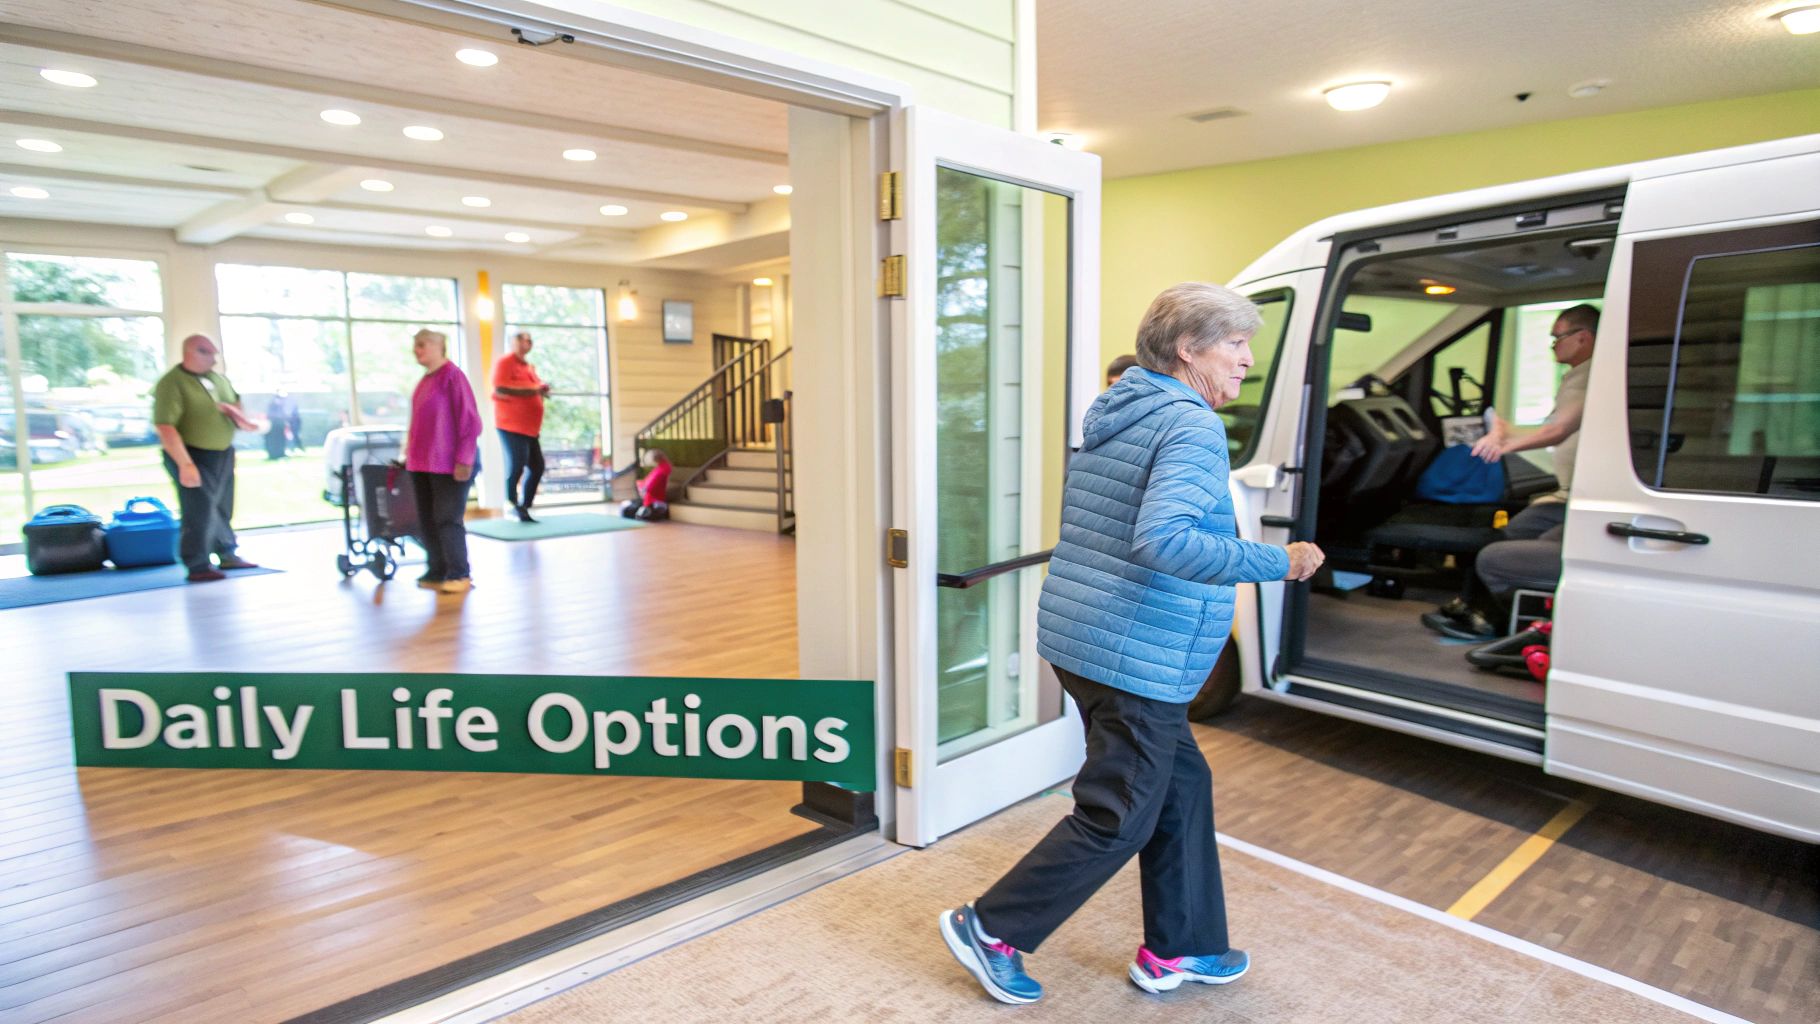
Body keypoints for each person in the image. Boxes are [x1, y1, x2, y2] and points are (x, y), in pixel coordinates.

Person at [939, 283, 1325, 1004]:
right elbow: (1166, 541)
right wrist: (1281, 560)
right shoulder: (1191, 426)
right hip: (1136, 652)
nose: (1247, 360)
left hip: (1090, 637)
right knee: (1120, 812)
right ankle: (991, 928)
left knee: (1181, 787)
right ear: (1188, 348)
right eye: (1235, 344)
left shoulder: (1122, 409)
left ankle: (1182, 948)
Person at [1424, 304, 1598, 639]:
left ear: (1582, 338)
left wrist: (1504, 445)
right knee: (1510, 531)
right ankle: (1473, 607)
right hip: (1567, 494)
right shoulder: (1576, 376)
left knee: (1499, 552)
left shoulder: (1593, 375)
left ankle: (1491, 620)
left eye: (1557, 337)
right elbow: (1553, 429)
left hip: (1578, 498)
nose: (1552, 345)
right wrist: (1503, 431)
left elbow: (1557, 431)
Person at [152, 334, 262, 583]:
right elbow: (165, 427)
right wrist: (185, 464)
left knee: (222, 505)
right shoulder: (173, 383)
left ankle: (226, 553)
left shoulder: (217, 380)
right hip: (191, 453)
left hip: (221, 452)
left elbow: (235, 407)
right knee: (198, 509)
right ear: (192, 352)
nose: (213, 359)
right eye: (208, 353)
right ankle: (197, 564)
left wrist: (234, 413)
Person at [406, 329, 482, 594]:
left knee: (447, 518)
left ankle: (459, 573)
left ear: (439, 346)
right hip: (422, 463)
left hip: (450, 463)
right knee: (427, 519)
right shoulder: (424, 382)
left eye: (421, 345)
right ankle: (437, 569)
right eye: (415, 345)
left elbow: (470, 422)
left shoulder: (453, 377)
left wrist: (464, 459)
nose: (416, 350)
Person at [492, 330, 551, 523]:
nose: (528, 343)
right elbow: (500, 387)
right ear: (514, 342)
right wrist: (534, 389)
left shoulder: (528, 367)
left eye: (530, 340)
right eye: (523, 339)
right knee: (518, 463)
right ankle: (511, 502)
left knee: (537, 466)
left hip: (530, 428)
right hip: (511, 425)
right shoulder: (505, 363)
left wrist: (541, 389)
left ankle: (524, 507)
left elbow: (534, 387)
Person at [620, 448, 671, 521]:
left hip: (652, 500)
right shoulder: (661, 469)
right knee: (628, 506)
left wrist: (642, 488)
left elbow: (650, 487)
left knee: (627, 508)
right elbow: (648, 484)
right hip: (652, 498)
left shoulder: (661, 470)